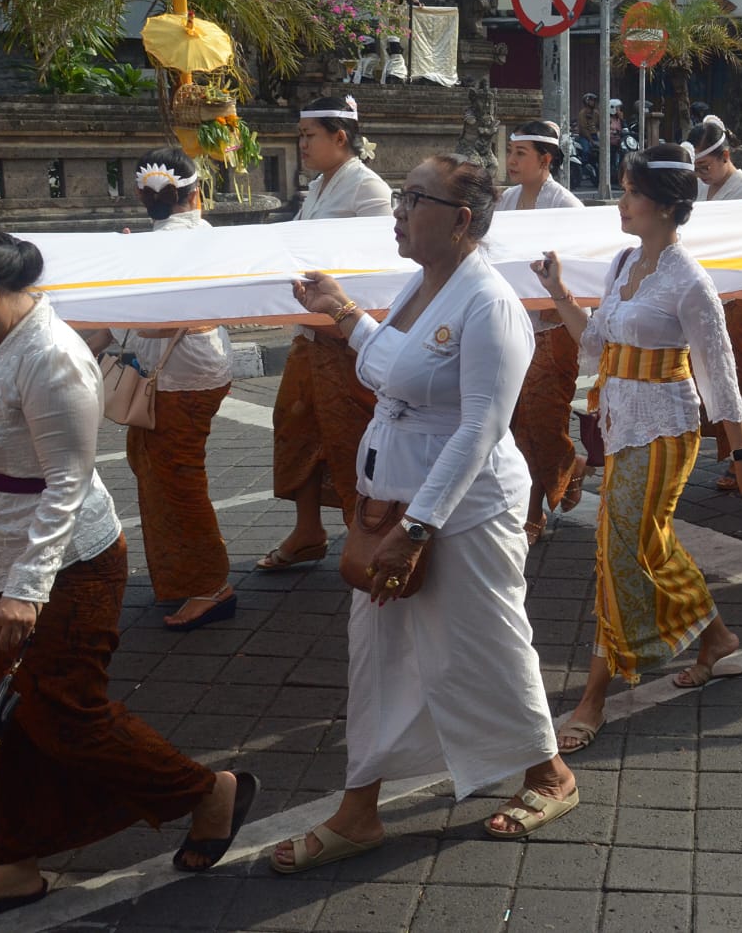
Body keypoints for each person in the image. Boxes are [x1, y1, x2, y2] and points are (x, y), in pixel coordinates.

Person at [272, 154, 577, 869]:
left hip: (460, 511)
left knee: (489, 644)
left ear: (462, 220)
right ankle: (359, 809)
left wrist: (418, 529)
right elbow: (390, 360)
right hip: (393, 505)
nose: (398, 212)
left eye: (415, 199)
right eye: (402, 196)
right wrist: (344, 311)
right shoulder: (422, 285)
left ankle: (549, 773)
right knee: (376, 655)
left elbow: (479, 427)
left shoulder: (490, 304)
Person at [0, 232, 259, 918]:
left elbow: (67, 484)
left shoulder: (52, 358)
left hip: (67, 566)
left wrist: (25, 590)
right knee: (15, 722)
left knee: (67, 713)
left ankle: (207, 793)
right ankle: (15, 856)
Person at [531, 143, 742, 751]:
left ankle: (593, 698)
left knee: (619, 551)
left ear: (667, 207)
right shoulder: (621, 264)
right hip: (618, 422)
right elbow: (598, 340)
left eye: (631, 192)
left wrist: (741, 457)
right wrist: (559, 292)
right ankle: (716, 639)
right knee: (650, 543)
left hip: (667, 429)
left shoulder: (690, 281)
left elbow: (720, 375)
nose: (621, 201)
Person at [81, 152, 235, 630]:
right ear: (197, 194)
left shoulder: (152, 246)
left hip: (179, 377)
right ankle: (183, 576)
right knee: (162, 470)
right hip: (197, 369)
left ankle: (211, 585)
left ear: (140, 198)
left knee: (176, 478)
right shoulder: (206, 236)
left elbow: (141, 320)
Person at [260, 95, 393, 572]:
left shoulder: (369, 189)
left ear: (341, 137)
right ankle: (308, 529)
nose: (302, 145)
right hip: (310, 332)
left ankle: (367, 531)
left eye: (308, 136)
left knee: (349, 435)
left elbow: (376, 271)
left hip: (345, 335)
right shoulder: (317, 186)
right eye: (301, 136)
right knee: (293, 426)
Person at [497, 122, 588, 545]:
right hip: (513, 327)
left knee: (540, 422)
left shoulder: (566, 207)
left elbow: (584, 273)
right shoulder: (506, 201)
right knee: (515, 422)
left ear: (545, 160)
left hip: (552, 330)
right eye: (510, 152)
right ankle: (570, 464)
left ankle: (534, 509)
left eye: (520, 154)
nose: (511, 161)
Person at [691, 116, 742, 490]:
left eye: (705, 167)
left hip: (740, 296)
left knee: (739, 374)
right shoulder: (696, 188)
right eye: (696, 168)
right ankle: (714, 447)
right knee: (701, 372)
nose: (701, 174)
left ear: (726, 156)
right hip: (704, 294)